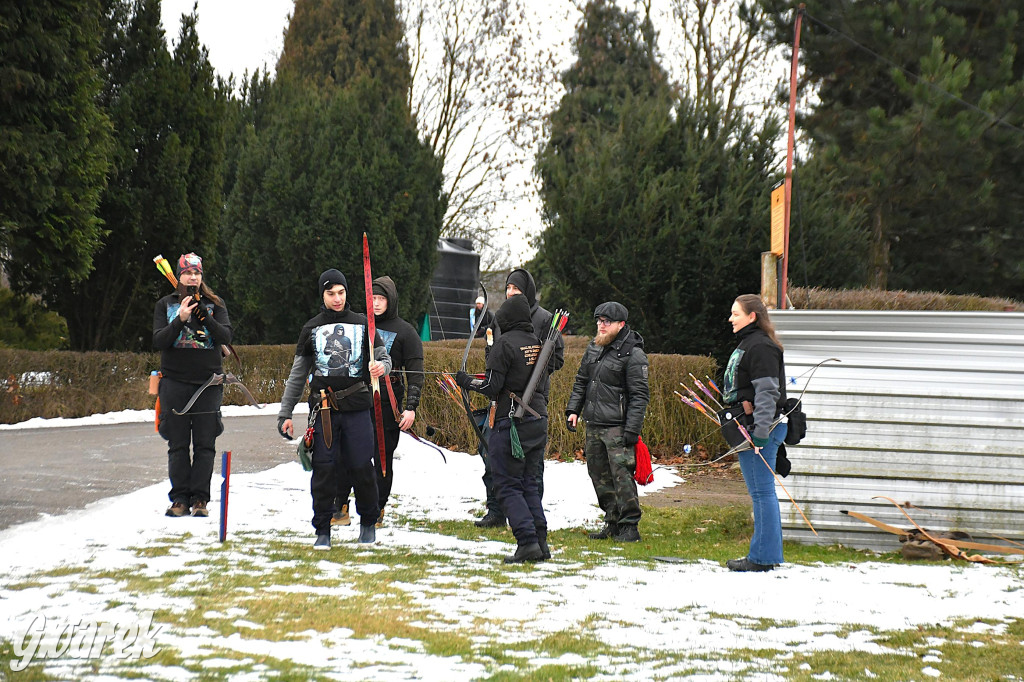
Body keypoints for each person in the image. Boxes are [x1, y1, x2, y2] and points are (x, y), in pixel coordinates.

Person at [276, 269, 392, 550]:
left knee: (361, 467)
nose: (337, 298)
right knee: (324, 469)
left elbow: (384, 357)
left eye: (341, 292)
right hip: (325, 410)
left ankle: (368, 523)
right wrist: (285, 413)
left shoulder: (364, 325)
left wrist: (380, 366)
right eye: (331, 293)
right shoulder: (312, 329)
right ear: (323, 295)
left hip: (357, 408)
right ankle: (322, 529)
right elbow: (297, 374)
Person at [456, 294, 549, 563]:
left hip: (511, 423)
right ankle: (540, 542)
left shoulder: (504, 344)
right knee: (529, 483)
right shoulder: (537, 343)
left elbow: (492, 388)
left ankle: (527, 542)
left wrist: (467, 381)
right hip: (537, 420)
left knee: (506, 483)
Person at [475, 268, 564, 528]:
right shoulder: (502, 318)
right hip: (501, 399)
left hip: (530, 401)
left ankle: (530, 518)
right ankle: (495, 510)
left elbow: (556, 358)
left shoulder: (545, 319)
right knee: (493, 454)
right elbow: (491, 351)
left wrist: (527, 364)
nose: (511, 293)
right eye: (508, 289)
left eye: (516, 289)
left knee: (530, 468)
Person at [336, 275, 424, 528]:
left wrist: (410, 408)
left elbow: (416, 374)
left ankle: (377, 509)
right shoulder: (357, 326)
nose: (375, 303)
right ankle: (340, 504)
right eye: (372, 298)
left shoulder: (406, 332)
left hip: (388, 406)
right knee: (349, 454)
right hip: (356, 401)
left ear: (391, 300)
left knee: (381, 459)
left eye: (381, 298)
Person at [153, 252, 232, 518]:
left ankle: (200, 500)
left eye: (197, 273)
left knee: (205, 444)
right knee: (176, 444)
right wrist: (181, 319)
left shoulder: (215, 303)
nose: (193, 277)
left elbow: (225, 335)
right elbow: (160, 340)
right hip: (174, 383)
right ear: (179, 275)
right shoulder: (165, 304)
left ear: (202, 276)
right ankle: (179, 499)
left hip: (208, 385)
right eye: (187, 273)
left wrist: (204, 315)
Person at [565, 302, 649, 543]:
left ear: (620, 325)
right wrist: (574, 410)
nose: (601, 325)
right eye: (599, 321)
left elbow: (639, 395)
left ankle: (630, 525)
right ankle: (612, 521)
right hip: (593, 424)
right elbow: (582, 381)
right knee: (598, 475)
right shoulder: (594, 347)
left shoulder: (634, 354)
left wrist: (632, 429)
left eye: (606, 322)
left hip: (618, 427)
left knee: (622, 476)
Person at [721, 294, 789, 572]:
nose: (730, 318)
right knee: (762, 492)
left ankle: (762, 558)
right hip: (751, 426)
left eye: (736, 313)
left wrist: (760, 433)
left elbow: (768, 391)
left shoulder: (760, 346)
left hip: (761, 429)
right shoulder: (751, 343)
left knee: (762, 493)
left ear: (752, 317)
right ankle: (766, 554)